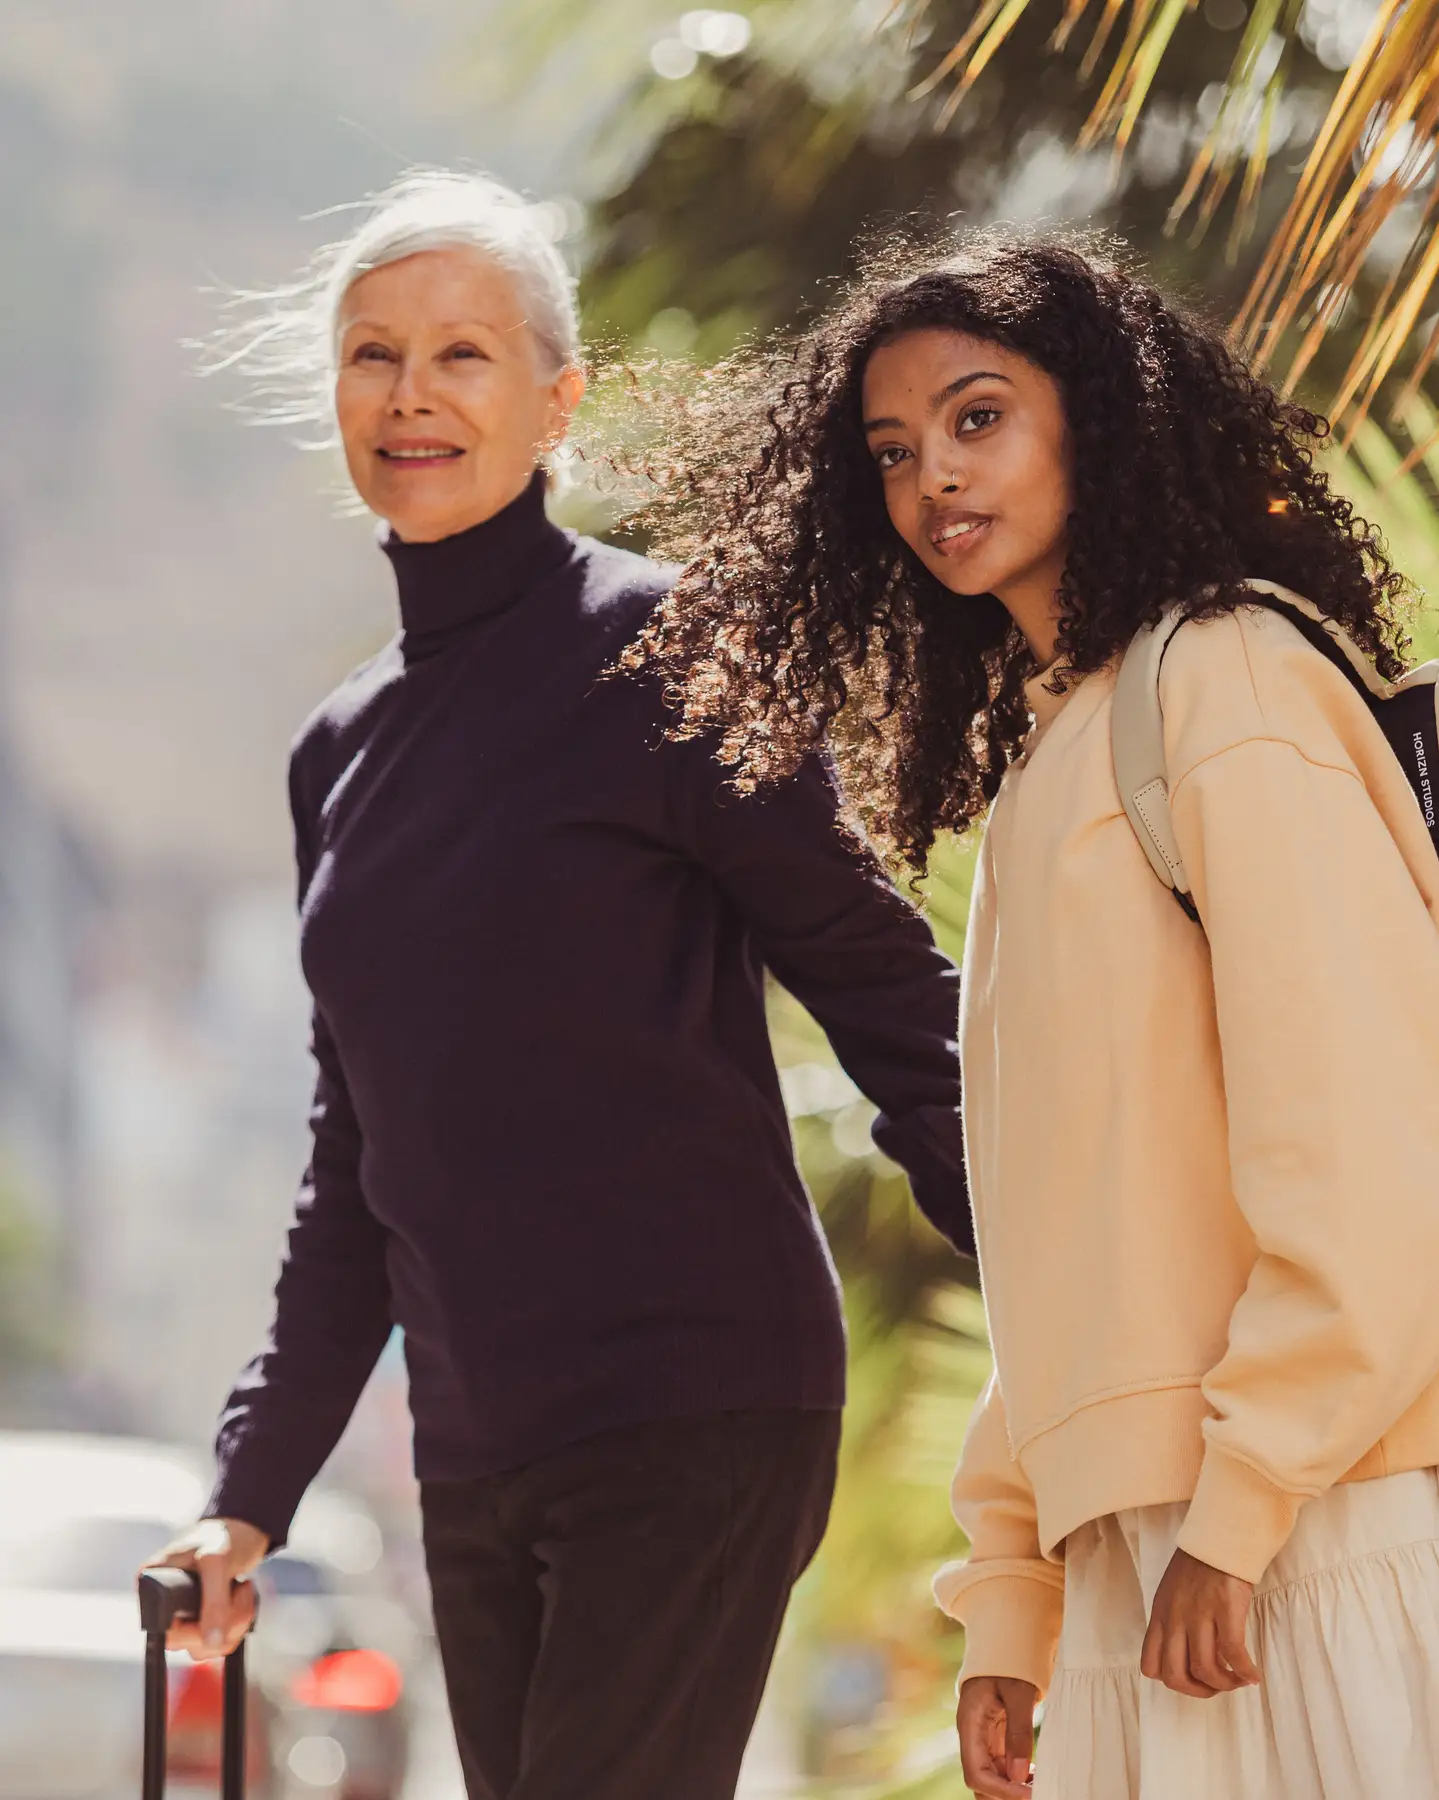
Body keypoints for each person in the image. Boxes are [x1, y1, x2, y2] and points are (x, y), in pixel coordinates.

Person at [143, 171, 973, 1800]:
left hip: (695, 1397)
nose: (412, 394)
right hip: (478, 1452)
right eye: (373, 355)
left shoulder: (673, 651)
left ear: (555, 400)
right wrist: (250, 1494)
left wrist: (1077, 1306)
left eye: (463, 353)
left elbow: (891, 999)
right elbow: (358, 1164)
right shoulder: (338, 750)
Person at [625, 232, 1439, 1799]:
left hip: (1315, 1534)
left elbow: (1363, 1137)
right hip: (1163, 1565)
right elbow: (1070, 1234)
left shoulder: (1225, 682)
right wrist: (1011, 1585)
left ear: (1101, 416)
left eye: (977, 416)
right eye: (892, 450)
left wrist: (1247, 1498)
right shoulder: (1056, 758)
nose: (932, 473)